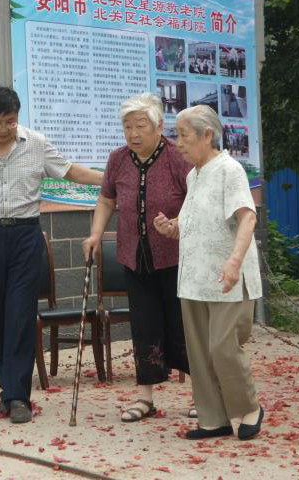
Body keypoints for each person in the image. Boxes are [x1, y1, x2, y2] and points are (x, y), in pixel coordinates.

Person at [0, 86, 103, 424]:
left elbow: (72, 172)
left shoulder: (36, 144)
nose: (4, 129)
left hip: (25, 235)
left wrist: (113, 180)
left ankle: (19, 398)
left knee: (20, 314)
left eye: (11, 121)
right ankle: (8, 389)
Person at [154, 104, 264, 441]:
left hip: (227, 278)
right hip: (194, 280)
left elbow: (247, 217)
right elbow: (199, 222)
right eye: (177, 135)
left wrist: (233, 261)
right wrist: (172, 228)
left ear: (207, 135)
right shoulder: (194, 174)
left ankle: (249, 407)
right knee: (200, 353)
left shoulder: (230, 170)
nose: (178, 143)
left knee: (222, 347)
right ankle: (213, 419)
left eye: (183, 135)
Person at [82, 92, 191, 422]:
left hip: (175, 255)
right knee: (144, 326)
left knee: (183, 325)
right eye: (127, 126)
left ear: (158, 125)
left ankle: (201, 395)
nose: (132, 133)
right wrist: (96, 234)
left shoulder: (176, 157)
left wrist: (179, 224)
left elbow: (196, 197)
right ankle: (145, 397)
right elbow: (106, 200)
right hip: (134, 254)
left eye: (139, 125)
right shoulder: (118, 159)